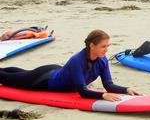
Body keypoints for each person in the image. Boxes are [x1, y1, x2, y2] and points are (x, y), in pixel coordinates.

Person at [0, 30, 142, 101]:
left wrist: (126, 89)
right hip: (44, 80)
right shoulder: (77, 60)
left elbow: (109, 85)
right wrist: (103, 96)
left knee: (21, 74)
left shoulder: (102, 60)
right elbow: (82, 92)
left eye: (108, 46)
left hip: (54, 70)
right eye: (103, 46)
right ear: (92, 45)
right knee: (9, 79)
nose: (107, 49)